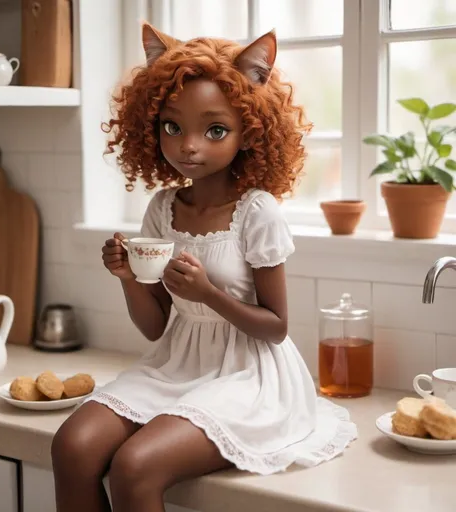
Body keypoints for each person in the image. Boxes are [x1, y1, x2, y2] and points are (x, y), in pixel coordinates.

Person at [51, 22, 357, 512]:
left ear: (250, 131)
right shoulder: (161, 208)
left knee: (135, 467)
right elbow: (155, 329)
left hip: (249, 377)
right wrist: (128, 278)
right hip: (174, 363)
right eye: (173, 126)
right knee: (71, 447)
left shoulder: (257, 212)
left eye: (215, 130)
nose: (189, 146)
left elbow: (276, 329)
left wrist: (209, 293)